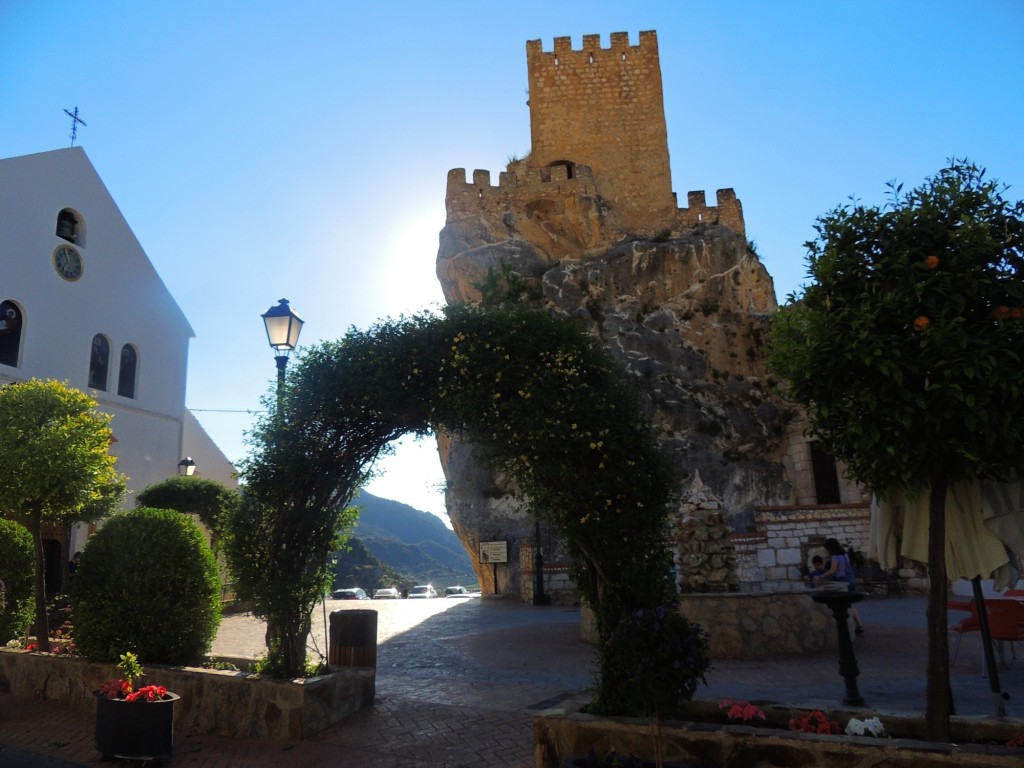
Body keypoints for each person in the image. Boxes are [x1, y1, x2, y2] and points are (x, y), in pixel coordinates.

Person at [819, 538, 865, 635]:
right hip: (851, 579)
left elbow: (832, 571)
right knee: (850, 604)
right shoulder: (845, 555)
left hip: (843, 580)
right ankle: (859, 625)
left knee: (844, 605)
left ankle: (849, 626)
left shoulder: (835, 557)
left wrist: (821, 576)